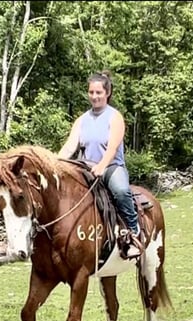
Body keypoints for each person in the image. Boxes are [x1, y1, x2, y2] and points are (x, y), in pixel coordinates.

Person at [57, 71, 141, 258]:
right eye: (91, 92)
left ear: (107, 93)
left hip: (111, 167)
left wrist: (102, 165)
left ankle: (134, 232)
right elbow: (70, 145)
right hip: (85, 168)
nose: (94, 97)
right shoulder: (82, 120)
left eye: (98, 93)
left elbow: (112, 148)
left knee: (120, 190)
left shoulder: (115, 117)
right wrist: (55, 164)